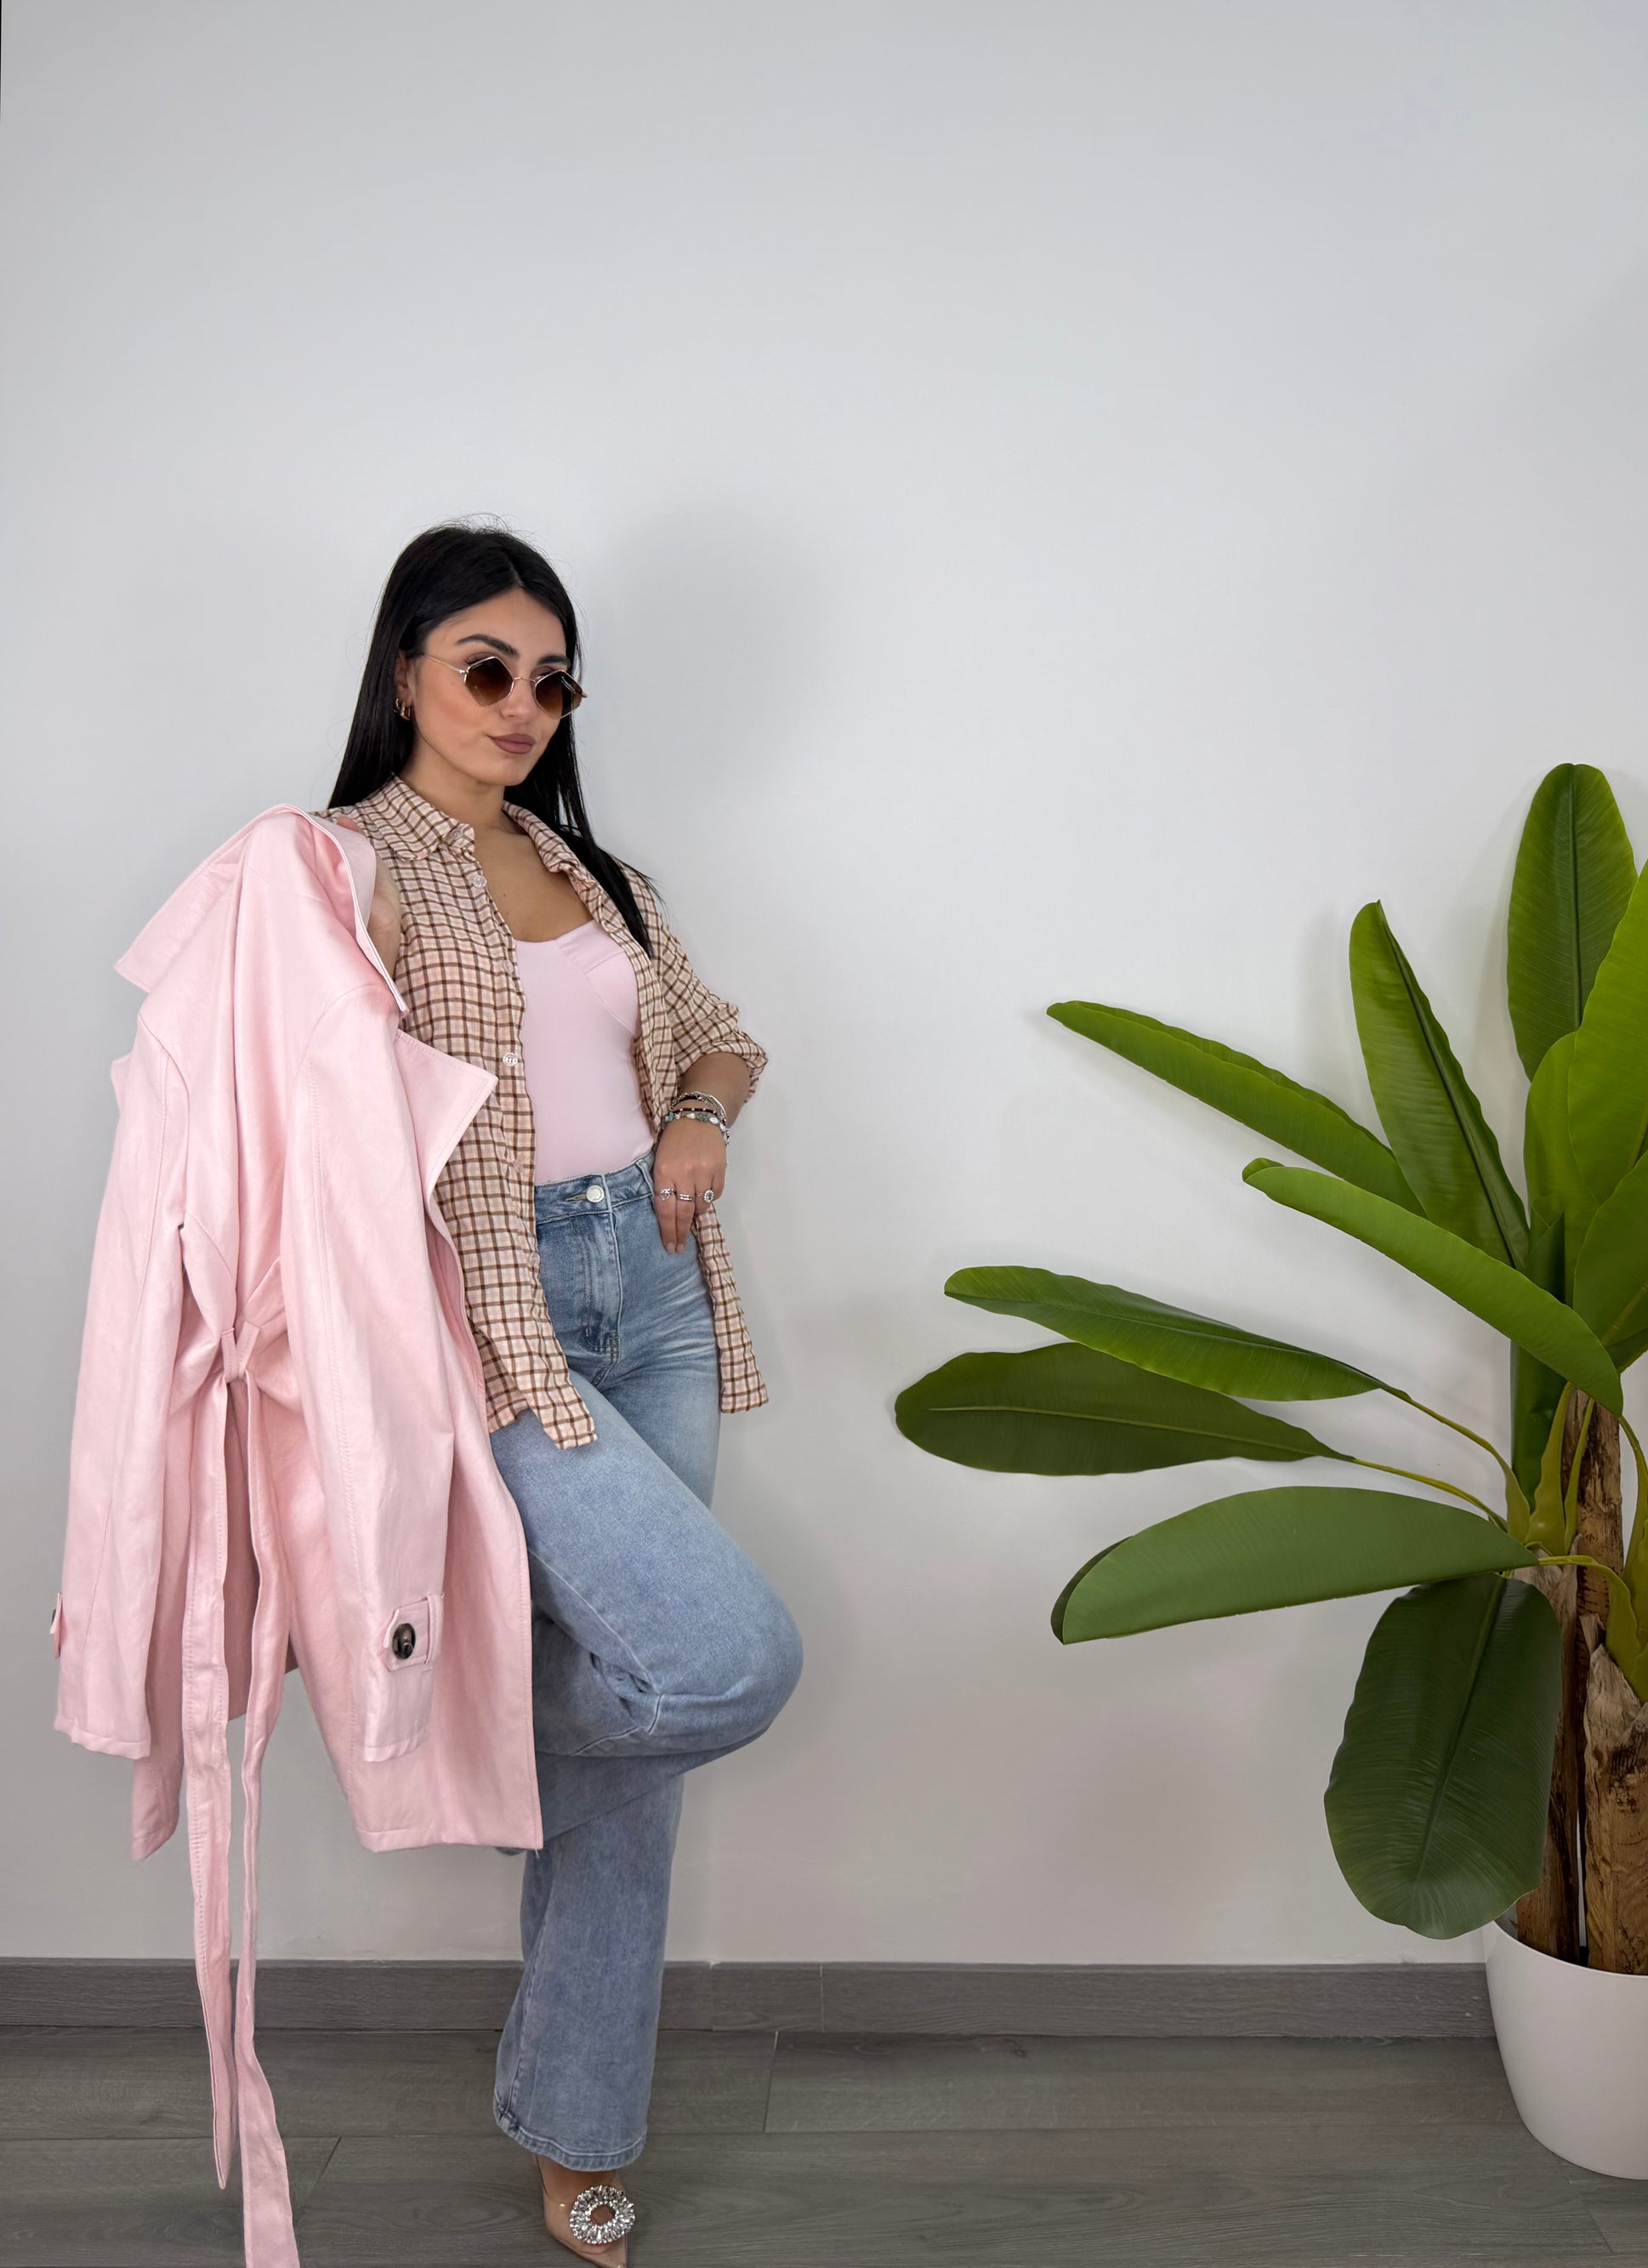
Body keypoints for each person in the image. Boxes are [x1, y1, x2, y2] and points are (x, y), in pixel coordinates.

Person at [319, 521, 804, 2259]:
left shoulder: (593, 871)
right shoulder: (342, 871)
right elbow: (297, 1120)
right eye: (485, 668)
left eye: (550, 678)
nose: (521, 704)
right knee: (723, 1661)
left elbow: (720, 1028)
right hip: (491, 1313)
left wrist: (700, 1114)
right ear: (406, 674)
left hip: (653, 1296)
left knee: (650, 1736)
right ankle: (442, 1736)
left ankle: (577, 2124)